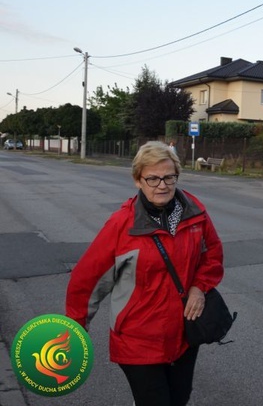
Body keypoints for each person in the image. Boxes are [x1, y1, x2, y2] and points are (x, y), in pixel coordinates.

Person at [66, 141, 224, 406]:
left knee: (179, 399)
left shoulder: (194, 212)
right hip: (138, 339)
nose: (162, 185)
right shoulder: (122, 225)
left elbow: (212, 255)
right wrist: (75, 327)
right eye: (152, 178)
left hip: (183, 336)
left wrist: (200, 287)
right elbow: (87, 280)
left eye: (168, 177)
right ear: (138, 180)